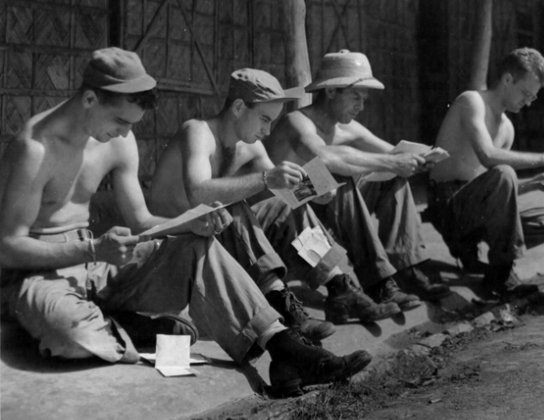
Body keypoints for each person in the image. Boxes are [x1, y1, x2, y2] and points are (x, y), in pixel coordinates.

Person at [0, 48, 370, 397]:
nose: (126, 134)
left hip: (98, 265)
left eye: (131, 125)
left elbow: (143, 221)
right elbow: (8, 249)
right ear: (90, 99)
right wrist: (95, 247)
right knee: (69, 334)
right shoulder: (35, 149)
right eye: (120, 121)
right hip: (40, 269)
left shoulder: (118, 141)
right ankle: (132, 325)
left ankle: (286, 348)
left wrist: (187, 227)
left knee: (197, 245)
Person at [149, 68, 399, 330]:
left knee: (287, 207)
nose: (267, 131)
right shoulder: (198, 132)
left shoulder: (250, 145)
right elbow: (199, 192)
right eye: (264, 120)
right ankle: (281, 303)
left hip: (218, 238)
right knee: (234, 206)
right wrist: (267, 178)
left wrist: (318, 190)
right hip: (178, 244)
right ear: (238, 108)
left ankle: (339, 288)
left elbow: (286, 191)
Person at [266, 50, 450, 307]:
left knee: (391, 178)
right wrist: (393, 161)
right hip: (291, 231)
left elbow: (392, 152)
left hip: (326, 220)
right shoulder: (297, 122)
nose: (361, 106)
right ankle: (378, 283)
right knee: (333, 174)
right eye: (355, 97)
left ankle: (407, 268)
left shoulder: (344, 127)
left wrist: (420, 159)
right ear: (331, 92)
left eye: (364, 99)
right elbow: (326, 158)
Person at [427, 47, 544, 300]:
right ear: (507, 79)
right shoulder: (471, 101)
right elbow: (488, 157)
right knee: (503, 171)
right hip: (447, 207)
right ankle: (501, 275)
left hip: (475, 207)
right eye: (526, 93)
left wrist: (533, 184)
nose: (529, 102)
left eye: (533, 97)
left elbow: (499, 191)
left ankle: (478, 254)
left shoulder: (507, 128)